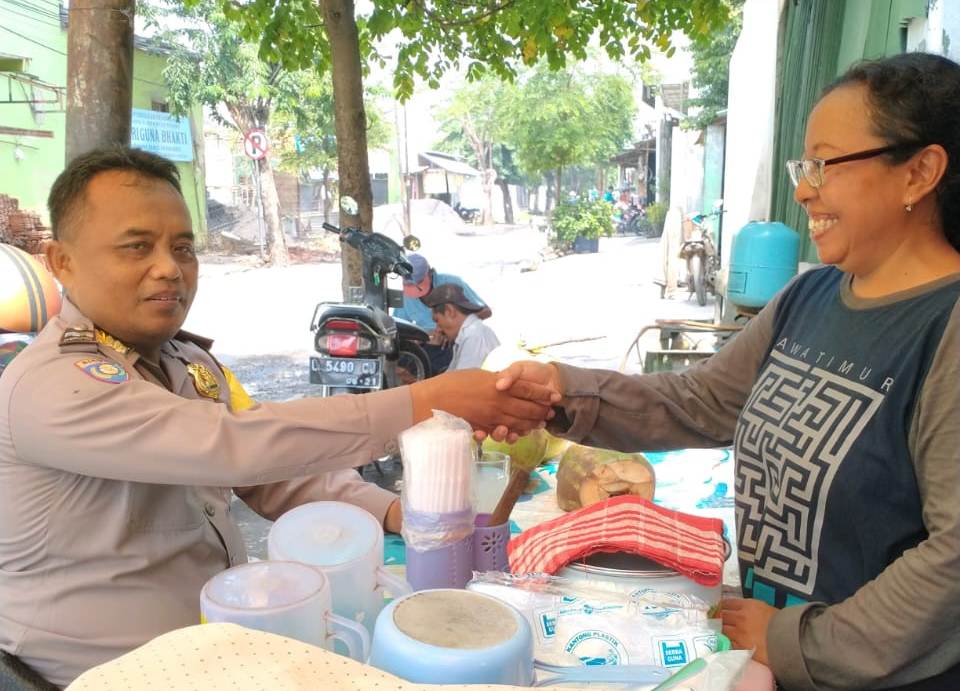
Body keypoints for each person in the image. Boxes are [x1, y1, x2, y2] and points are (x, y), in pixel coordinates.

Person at [0, 147, 554, 686]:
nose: (168, 269)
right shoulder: (51, 384)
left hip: (211, 651)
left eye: (184, 247)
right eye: (137, 246)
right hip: (86, 677)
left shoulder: (191, 364)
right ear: (62, 261)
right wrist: (427, 402)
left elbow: (273, 472)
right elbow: (233, 445)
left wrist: (401, 513)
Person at [496, 53, 960, 690]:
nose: (803, 189)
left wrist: (796, 640)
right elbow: (703, 400)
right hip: (776, 668)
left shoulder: (945, 327)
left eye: (825, 164)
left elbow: (953, 558)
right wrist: (563, 390)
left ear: (920, 173)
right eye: (805, 166)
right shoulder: (809, 298)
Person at [392, 253, 491, 374]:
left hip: (448, 344)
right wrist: (421, 338)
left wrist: (450, 332)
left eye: (437, 321)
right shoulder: (406, 298)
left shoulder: (452, 284)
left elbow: (486, 311)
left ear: (429, 273)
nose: (437, 327)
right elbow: (398, 330)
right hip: (427, 344)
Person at [422, 283, 500, 371]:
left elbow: (462, 381)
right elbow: (451, 376)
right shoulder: (467, 335)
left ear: (449, 311)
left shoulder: (474, 336)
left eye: (437, 320)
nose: (438, 329)